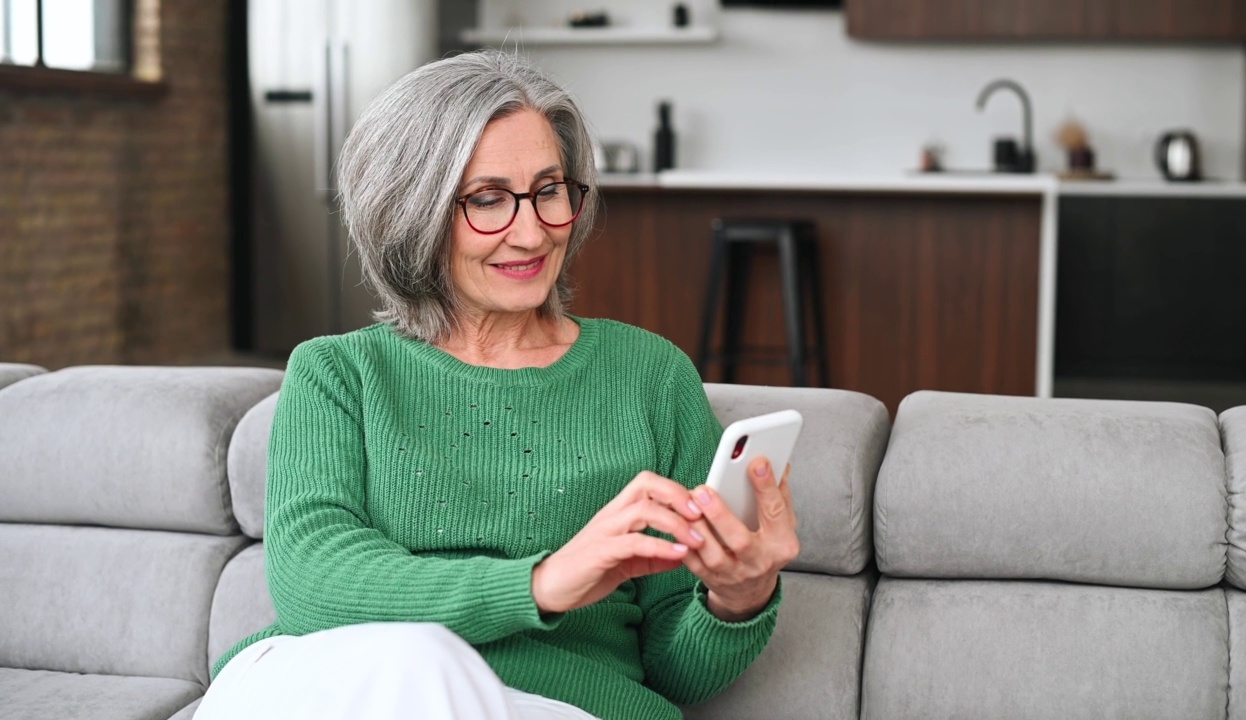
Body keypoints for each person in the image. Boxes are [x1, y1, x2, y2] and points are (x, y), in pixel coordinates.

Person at [195, 49, 799, 720]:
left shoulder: (650, 377)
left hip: (553, 706)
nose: (533, 231)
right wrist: (541, 584)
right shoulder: (338, 373)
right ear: (411, 210)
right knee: (412, 661)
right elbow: (313, 580)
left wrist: (738, 597)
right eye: (488, 200)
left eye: (549, 191)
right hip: (342, 683)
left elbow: (674, 667)